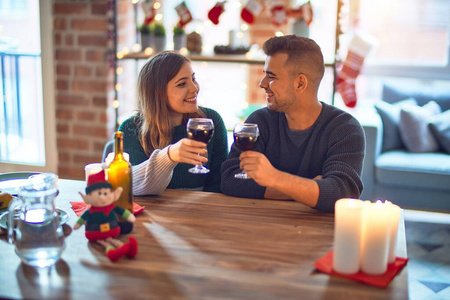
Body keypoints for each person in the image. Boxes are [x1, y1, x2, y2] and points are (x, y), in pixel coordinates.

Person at [220, 35, 365, 212]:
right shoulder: (260, 122)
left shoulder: (344, 129)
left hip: (320, 235)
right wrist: (309, 188)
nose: (262, 84)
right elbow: (230, 179)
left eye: (271, 76)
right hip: (261, 228)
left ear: (300, 83)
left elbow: (342, 194)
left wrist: (274, 178)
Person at [119, 51, 228, 195]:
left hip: (202, 211)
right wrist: (169, 156)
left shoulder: (211, 121)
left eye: (193, 79)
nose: (194, 88)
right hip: (151, 212)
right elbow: (130, 185)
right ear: (157, 92)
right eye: (182, 84)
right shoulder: (131, 129)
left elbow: (218, 186)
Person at [74, 169, 138, 262]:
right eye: (99, 194)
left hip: (111, 231)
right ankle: (111, 252)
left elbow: (122, 212)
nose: (102, 197)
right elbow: (82, 218)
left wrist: (130, 217)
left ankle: (127, 249)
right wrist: (77, 224)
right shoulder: (90, 211)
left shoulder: (112, 207)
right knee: (106, 243)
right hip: (96, 233)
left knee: (113, 240)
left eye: (105, 193)